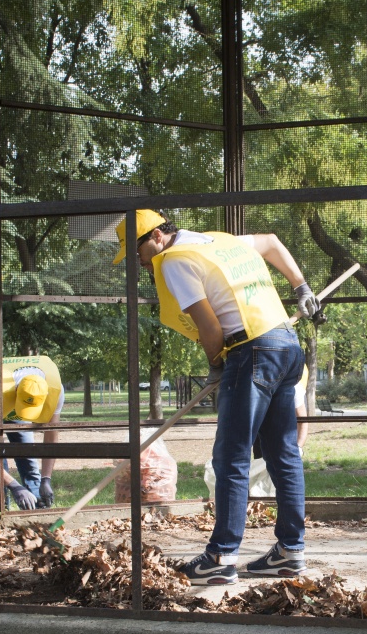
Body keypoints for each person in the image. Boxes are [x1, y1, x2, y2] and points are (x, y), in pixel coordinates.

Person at [114, 209, 322, 585]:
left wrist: (216, 362)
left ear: (157, 237)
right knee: (283, 453)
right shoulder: (218, 241)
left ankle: (220, 558)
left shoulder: (172, 261)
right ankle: (291, 553)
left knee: (231, 457)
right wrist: (301, 286)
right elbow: (272, 243)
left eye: (136, 251)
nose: (137, 262)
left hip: (252, 349)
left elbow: (210, 326)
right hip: (286, 346)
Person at [0, 355, 64, 510]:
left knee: (26, 453)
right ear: (17, 392)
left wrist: (46, 479)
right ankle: (0, 511)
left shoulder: (55, 390)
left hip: (13, 392)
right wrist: (14, 486)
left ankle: (36, 510)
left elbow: (51, 436)